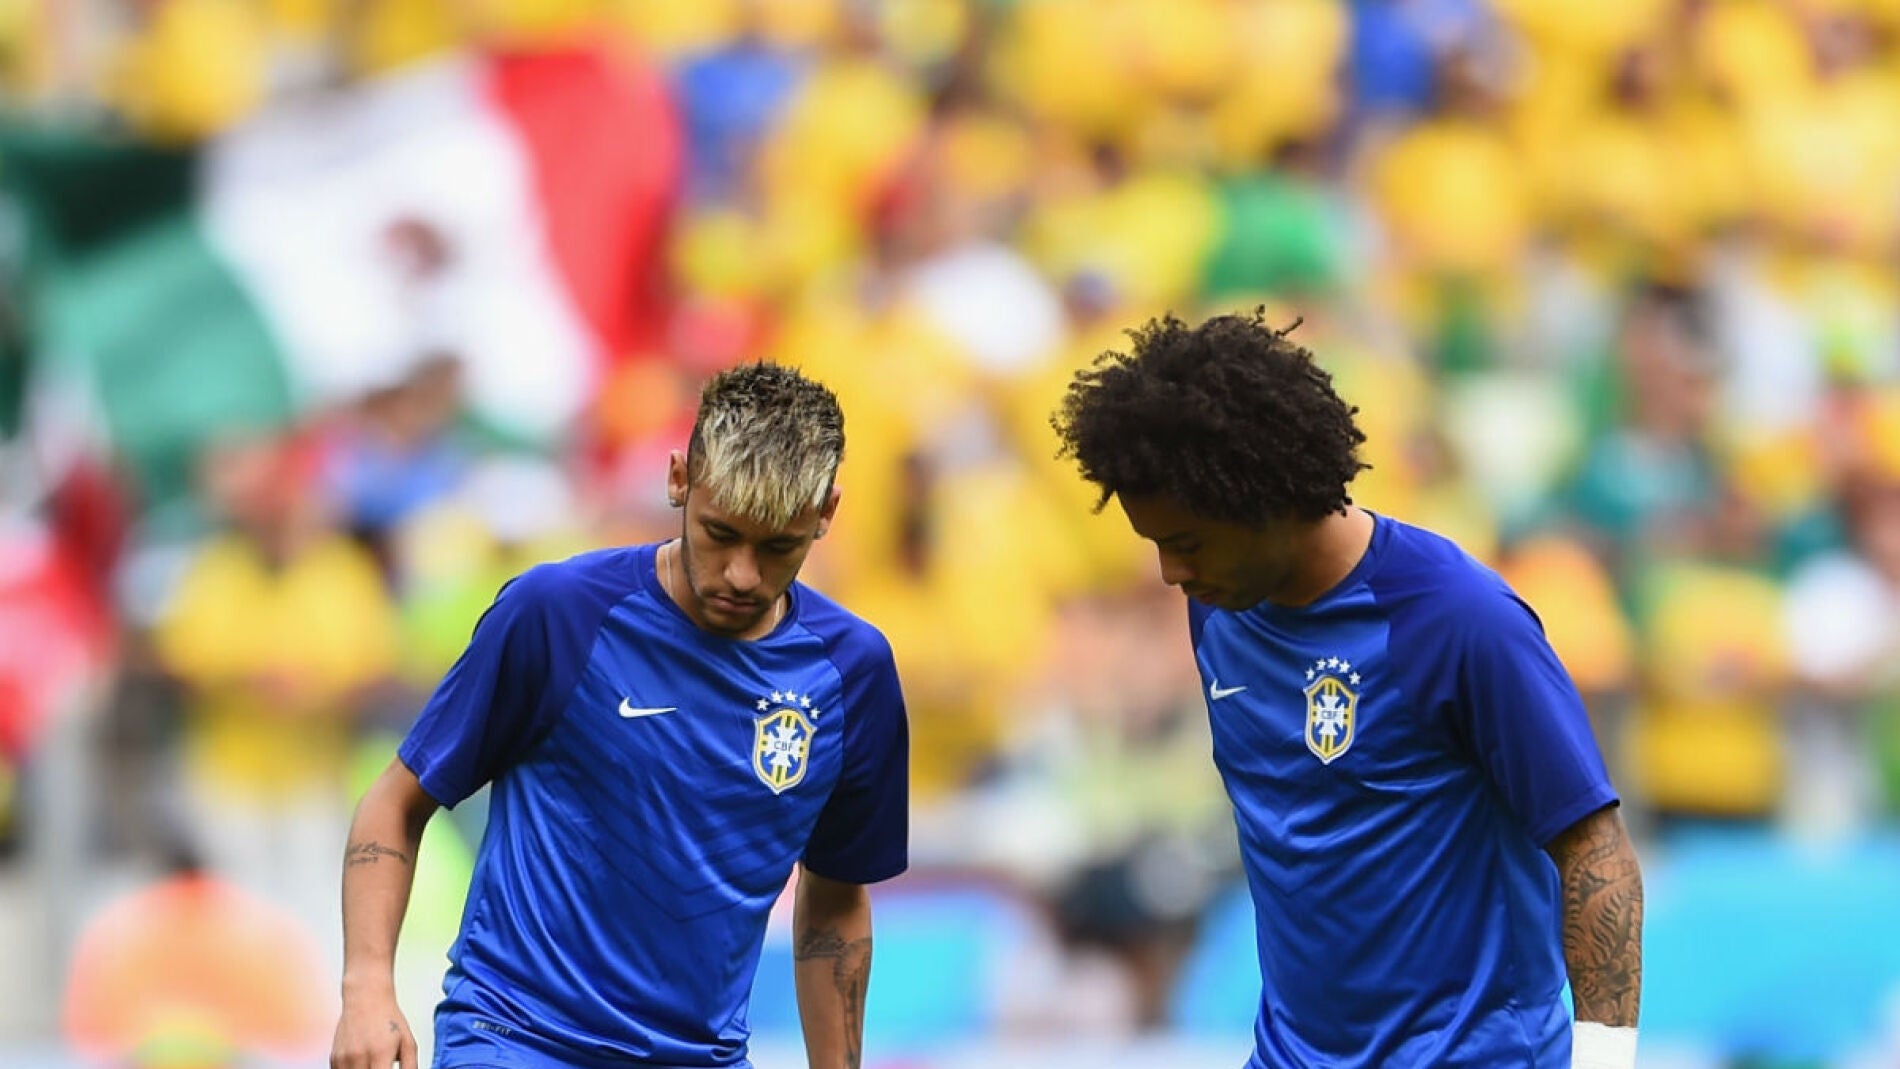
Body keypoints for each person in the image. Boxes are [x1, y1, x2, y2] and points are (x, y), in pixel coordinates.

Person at [1050, 310, 1644, 1069]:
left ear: (1262, 497)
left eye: (1187, 542)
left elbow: (1596, 849)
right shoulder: (1221, 608)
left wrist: (1604, 1062)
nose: (1172, 572)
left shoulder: (1456, 619)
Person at [331, 363, 910, 1069]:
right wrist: (367, 990)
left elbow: (835, 896)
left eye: (778, 546)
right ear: (678, 481)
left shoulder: (852, 672)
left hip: (703, 1056)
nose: (741, 574)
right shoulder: (560, 612)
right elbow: (396, 801)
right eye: (720, 532)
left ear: (826, 514)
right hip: (516, 1037)